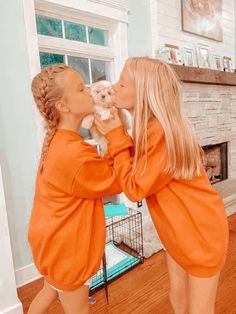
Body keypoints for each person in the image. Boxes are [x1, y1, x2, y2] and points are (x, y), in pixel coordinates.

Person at [95, 57, 229, 314]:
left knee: (200, 310)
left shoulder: (160, 134)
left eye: (123, 83)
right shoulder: (148, 131)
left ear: (144, 92)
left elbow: (134, 188)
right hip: (179, 231)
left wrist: (115, 136)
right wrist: (116, 135)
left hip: (200, 233)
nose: (115, 86)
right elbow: (129, 165)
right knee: (178, 299)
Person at [28, 64, 121, 314]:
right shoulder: (73, 152)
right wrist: (116, 135)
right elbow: (117, 179)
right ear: (63, 106)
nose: (90, 91)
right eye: (81, 88)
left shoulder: (62, 141)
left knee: (49, 291)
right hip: (66, 250)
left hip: (52, 241)